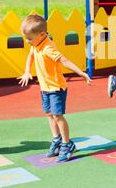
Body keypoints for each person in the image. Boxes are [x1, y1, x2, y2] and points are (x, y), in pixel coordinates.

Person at [18, 14, 92, 162]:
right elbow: (30, 56)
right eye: (25, 38)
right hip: (45, 87)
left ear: (42, 34)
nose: (27, 42)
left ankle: (67, 144)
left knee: (58, 116)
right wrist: (27, 71)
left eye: (29, 39)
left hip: (56, 88)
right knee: (49, 114)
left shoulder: (48, 48)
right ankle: (56, 139)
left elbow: (64, 60)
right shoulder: (36, 44)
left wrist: (81, 72)